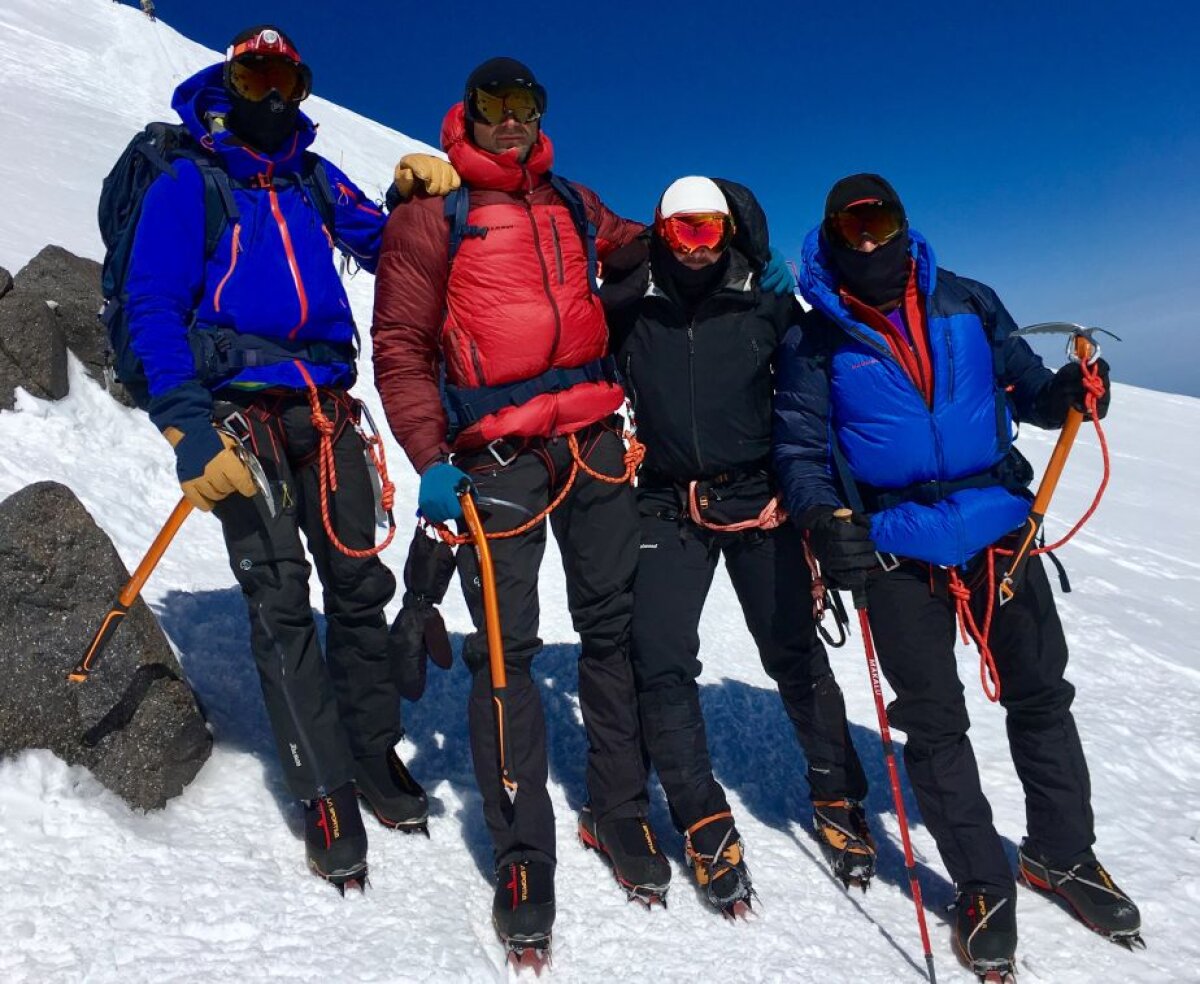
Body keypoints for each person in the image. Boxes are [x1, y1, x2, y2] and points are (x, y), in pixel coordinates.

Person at [773, 173, 1140, 976]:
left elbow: (1032, 392)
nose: (869, 238)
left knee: (1042, 696)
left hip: (1001, 529)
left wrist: (1072, 391)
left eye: (882, 220)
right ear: (833, 235)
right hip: (896, 545)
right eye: (853, 225)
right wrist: (825, 519)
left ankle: (1061, 856)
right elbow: (799, 455)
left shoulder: (968, 301)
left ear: (902, 222)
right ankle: (981, 883)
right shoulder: (814, 340)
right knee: (936, 724)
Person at [121, 25, 455, 891]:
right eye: (255, 74)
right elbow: (152, 307)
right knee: (277, 597)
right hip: (239, 413)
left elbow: (388, 246)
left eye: (287, 78)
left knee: (356, 584)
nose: (272, 94)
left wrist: (414, 201)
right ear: (229, 80)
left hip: (328, 406)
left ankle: (373, 750)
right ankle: (323, 785)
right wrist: (187, 431)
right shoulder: (190, 180)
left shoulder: (312, 175)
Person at [371, 57, 669, 954]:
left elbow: (641, 243)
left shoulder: (574, 203)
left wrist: (722, 236)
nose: (510, 121)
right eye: (493, 107)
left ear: (539, 113)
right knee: (506, 651)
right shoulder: (435, 214)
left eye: (525, 106)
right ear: (469, 113)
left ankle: (618, 808)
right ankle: (520, 849)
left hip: (595, 441)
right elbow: (399, 344)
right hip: (496, 456)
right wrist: (429, 457)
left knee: (611, 629)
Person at [598, 176, 873, 914]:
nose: (696, 246)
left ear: (730, 232)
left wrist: (826, 496)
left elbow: (814, 393)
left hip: (759, 496)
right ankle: (702, 815)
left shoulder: (766, 300)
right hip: (666, 500)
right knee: (659, 659)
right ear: (660, 231)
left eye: (710, 230)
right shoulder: (627, 306)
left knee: (791, 649)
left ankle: (838, 794)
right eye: (682, 230)